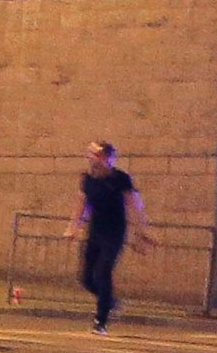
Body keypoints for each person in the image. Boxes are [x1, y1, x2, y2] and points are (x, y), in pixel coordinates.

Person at [65, 140, 154, 333]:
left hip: (114, 233)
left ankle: (101, 320)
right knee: (87, 278)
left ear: (106, 157)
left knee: (103, 271)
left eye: (95, 154)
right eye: (90, 154)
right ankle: (111, 301)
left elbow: (134, 204)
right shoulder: (88, 179)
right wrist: (73, 227)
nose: (90, 158)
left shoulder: (120, 179)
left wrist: (142, 230)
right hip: (95, 232)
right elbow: (82, 204)